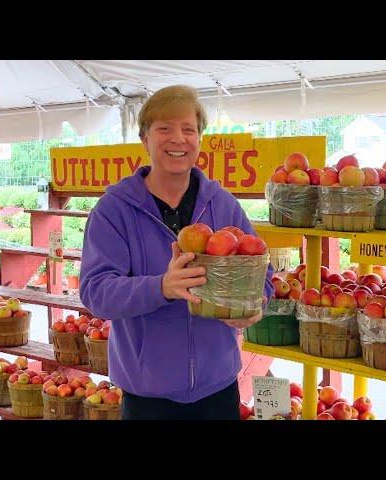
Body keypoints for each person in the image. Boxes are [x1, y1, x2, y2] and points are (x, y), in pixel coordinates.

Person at [79, 85, 274, 420]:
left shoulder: (222, 204)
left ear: (199, 139)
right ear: (145, 139)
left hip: (218, 387)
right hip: (147, 395)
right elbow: (95, 292)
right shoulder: (115, 210)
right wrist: (161, 287)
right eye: (164, 129)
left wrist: (255, 305)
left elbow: (262, 275)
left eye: (188, 129)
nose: (178, 139)